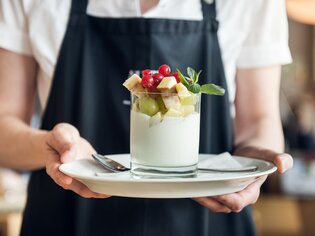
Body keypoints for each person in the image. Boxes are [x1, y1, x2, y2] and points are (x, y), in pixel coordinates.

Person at [0, 0, 293, 235]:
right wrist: (52, 145)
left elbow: (259, 120)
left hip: (209, 221)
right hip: (65, 217)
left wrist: (256, 162)